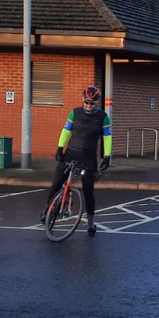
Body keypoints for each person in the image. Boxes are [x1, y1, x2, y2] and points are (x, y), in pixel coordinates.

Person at [42, 85, 112, 236]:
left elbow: (107, 137)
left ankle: (91, 223)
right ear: (83, 100)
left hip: (88, 157)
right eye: (86, 102)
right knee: (56, 183)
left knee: (88, 191)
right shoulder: (75, 113)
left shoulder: (103, 117)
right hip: (71, 153)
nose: (88, 106)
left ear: (97, 103)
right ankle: (47, 210)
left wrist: (107, 156)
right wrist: (60, 147)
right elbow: (66, 130)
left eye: (92, 103)